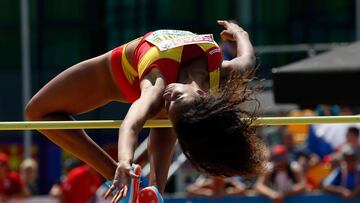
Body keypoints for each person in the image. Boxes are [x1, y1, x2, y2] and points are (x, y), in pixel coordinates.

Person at [25, 20, 266, 202]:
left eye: (170, 103)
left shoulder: (158, 86)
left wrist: (125, 160)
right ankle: (144, 188)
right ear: (202, 95)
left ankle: (139, 185)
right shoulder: (221, 72)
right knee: (38, 111)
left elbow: (131, 122)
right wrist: (240, 33)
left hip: (120, 77)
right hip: (125, 75)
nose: (169, 96)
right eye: (176, 98)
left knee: (36, 112)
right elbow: (247, 60)